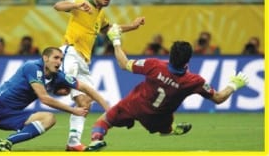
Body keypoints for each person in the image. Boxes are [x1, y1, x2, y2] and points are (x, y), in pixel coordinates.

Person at [85, 24, 249, 151]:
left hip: (135, 105)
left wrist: (116, 40)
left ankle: (97, 139)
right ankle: (169, 130)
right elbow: (219, 98)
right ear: (188, 60)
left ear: (170, 55)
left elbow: (123, 64)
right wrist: (233, 85)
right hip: (159, 117)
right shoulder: (194, 81)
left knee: (104, 120)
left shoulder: (154, 65)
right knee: (163, 128)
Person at [53, 0, 145, 151]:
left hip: (84, 60)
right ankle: (53, 86)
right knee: (75, 95)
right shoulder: (82, 3)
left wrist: (132, 26)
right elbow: (58, 6)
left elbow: (110, 29)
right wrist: (75, 4)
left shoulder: (100, 15)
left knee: (86, 102)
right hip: (70, 53)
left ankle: (73, 142)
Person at [0, 47, 110, 151]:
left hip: (13, 114)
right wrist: (72, 110)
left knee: (48, 118)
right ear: (45, 58)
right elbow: (44, 98)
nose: (59, 62)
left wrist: (108, 109)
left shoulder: (58, 75)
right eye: (56, 58)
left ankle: (6, 142)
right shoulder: (32, 67)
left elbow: (86, 88)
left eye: (61, 59)